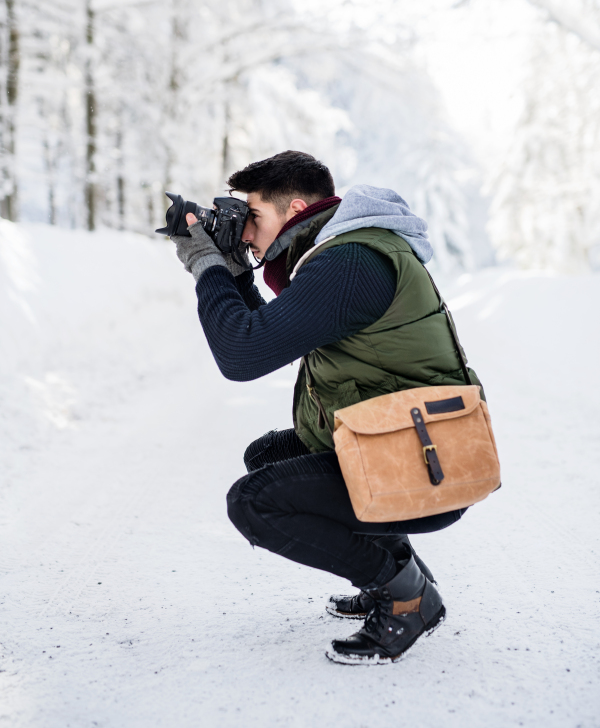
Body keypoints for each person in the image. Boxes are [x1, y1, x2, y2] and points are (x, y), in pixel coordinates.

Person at [171, 150, 484, 665]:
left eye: (254, 218)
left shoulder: (350, 261)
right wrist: (231, 273)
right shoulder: (344, 252)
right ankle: (400, 567)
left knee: (255, 501)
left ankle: (407, 596)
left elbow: (243, 353)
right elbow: (270, 338)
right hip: (415, 448)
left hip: (431, 467)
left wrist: (207, 266)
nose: (245, 233)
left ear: (295, 207)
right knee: (268, 456)